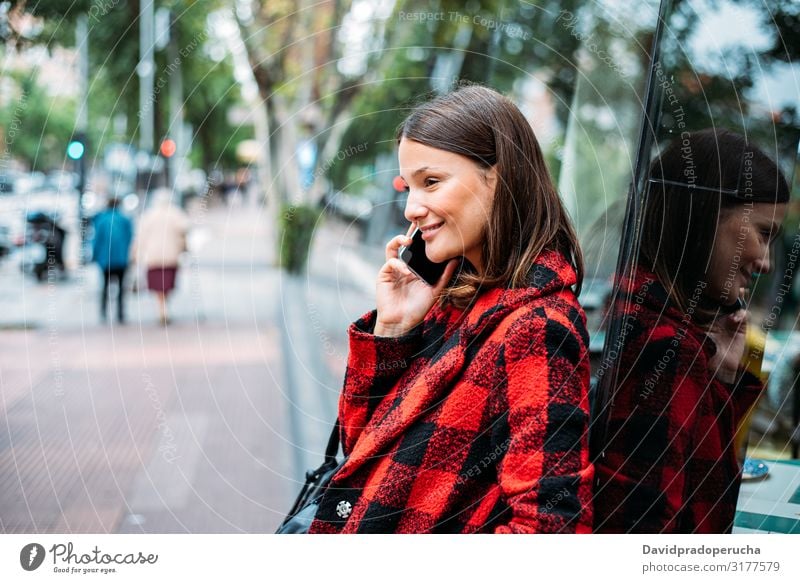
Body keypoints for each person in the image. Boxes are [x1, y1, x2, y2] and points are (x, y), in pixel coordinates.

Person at [308, 85, 594, 534]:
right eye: (409, 186)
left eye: (431, 182)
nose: (411, 208)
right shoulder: (455, 297)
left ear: (499, 177)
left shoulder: (538, 327)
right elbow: (358, 447)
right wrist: (393, 328)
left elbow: (549, 528)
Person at [593, 128, 789, 533]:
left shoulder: (647, 316)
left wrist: (724, 378)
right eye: (763, 233)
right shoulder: (666, 347)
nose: (765, 261)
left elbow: (696, 473)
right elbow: (644, 530)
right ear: (704, 218)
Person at [133, 188, 190, 325]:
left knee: (159, 285)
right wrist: (184, 249)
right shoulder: (176, 214)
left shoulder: (148, 216)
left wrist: (136, 254)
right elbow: (184, 231)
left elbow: (140, 237)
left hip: (153, 257)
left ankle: (162, 308)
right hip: (171, 256)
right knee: (167, 284)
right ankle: (164, 308)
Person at [91, 197, 133, 323]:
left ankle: (103, 313)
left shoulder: (101, 220)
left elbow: (96, 239)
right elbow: (130, 238)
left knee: (104, 286)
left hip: (105, 259)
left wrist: (94, 255)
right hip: (121, 259)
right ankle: (120, 314)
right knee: (121, 287)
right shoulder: (124, 219)